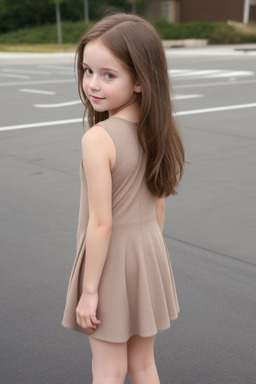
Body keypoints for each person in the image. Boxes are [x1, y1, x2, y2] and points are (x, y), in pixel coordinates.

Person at [62, 12, 185, 384]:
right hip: (148, 255)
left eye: (108, 75)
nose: (92, 85)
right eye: (87, 71)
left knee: (108, 371)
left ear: (140, 82)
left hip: (111, 265)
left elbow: (102, 223)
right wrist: (148, 256)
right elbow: (159, 204)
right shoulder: (157, 131)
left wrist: (89, 292)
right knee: (143, 365)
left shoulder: (99, 138)